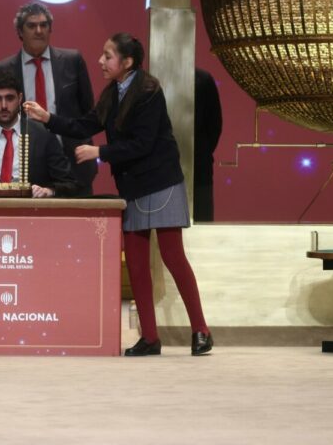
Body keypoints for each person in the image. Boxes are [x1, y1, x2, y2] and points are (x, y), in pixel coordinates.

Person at [24, 33, 213, 356]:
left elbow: (143, 144)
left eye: (108, 56)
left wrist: (99, 152)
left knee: (173, 258)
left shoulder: (149, 91)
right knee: (136, 265)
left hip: (162, 183)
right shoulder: (114, 91)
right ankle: (150, 338)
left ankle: (201, 331)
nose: (101, 61)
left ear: (127, 62)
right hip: (133, 187)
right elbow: (86, 124)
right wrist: (48, 118)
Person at [0, 2, 97, 195]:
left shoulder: (72, 60)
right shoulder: (3, 68)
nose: (39, 30)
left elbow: (87, 110)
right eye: (31, 26)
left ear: (50, 29)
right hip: (26, 163)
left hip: (73, 162)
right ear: (20, 32)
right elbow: (1, 116)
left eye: (44, 25)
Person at [193, 68, 223, 222]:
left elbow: (214, 124)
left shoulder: (203, 79)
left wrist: (202, 151)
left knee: (201, 219)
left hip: (200, 166)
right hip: (161, 169)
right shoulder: (152, 81)